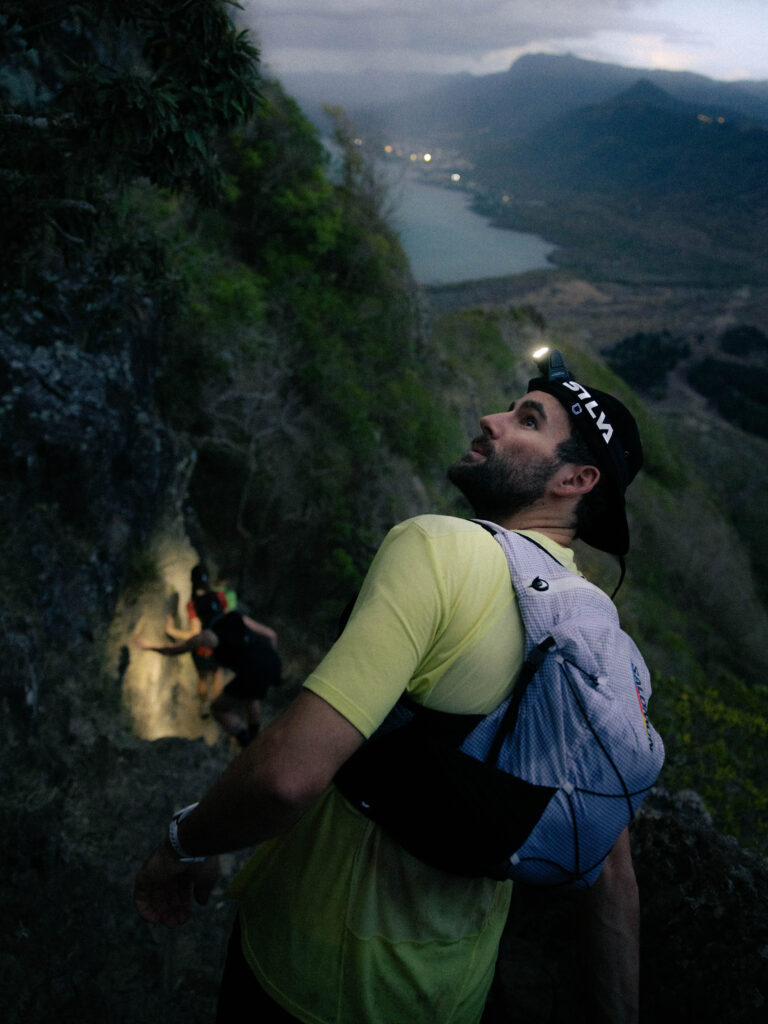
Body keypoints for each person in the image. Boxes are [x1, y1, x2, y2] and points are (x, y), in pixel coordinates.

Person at [134, 349, 643, 1024]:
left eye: (526, 420)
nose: (490, 419)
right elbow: (611, 871)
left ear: (575, 478)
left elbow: (287, 776)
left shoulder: (441, 549)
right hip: (451, 996)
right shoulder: (599, 638)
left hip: (309, 977)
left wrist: (184, 843)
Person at [139, 592, 281, 747]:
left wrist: (149, 647)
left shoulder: (208, 635)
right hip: (272, 662)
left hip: (251, 674)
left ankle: (245, 740)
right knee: (252, 695)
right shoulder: (236, 617)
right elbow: (271, 635)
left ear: (200, 614)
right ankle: (254, 735)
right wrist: (269, 660)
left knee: (218, 709)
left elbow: (174, 650)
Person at [164, 565, 230, 717]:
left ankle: (204, 708)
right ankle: (219, 708)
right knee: (217, 673)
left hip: (202, 649)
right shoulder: (220, 597)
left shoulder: (193, 604)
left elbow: (194, 633)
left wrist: (171, 630)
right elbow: (228, 619)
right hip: (220, 645)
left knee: (203, 676)